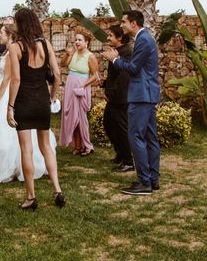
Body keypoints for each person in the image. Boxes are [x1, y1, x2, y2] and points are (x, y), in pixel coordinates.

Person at [6, 8, 65, 210]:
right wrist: (52, 96)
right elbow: (56, 75)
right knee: (46, 146)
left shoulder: (15, 47)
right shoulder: (46, 44)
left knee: (27, 150)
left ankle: (31, 197)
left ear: (20, 24)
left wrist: (10, 106)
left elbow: (16, 80)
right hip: (42, 102)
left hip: (24, 102)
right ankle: (57, 189)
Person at [0, 23, 57, 184]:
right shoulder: (8, 50)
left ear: (11, 35)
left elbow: (9, 78)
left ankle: (18, 172)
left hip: (10, 92)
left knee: (16, 138)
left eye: (3, 34)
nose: (0, 36)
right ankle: (56, 188)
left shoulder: (14, 49)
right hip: (18, 92)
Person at [102, 10, 161, 195]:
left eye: (124, 22)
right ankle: (153, 179)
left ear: (133, 23)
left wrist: (115, 59)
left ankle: (144, 182)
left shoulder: (143, 39)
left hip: (141, 95)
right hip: (148, 94)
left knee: (136, 136)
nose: (122, 25)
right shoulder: (145, 39)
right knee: (151, 137)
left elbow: (134, 69)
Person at [59, 30, 99, 156]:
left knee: (81, 118)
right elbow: (62, 64)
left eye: (80, 40)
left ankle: (87, 145)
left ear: (86, 42)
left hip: (81, 89)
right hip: (70, 86)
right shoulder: (73, 53)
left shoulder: (90, 56)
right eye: (76, 39)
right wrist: (67, 54)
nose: (77, 42)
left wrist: (83, 85)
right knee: (72, 117)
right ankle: (76, 146)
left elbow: (95, 76)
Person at [102, 25, 133, 172]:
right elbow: (114, 76)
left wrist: (111, 92)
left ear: (119, 38)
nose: (108, 38)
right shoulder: (116, 52)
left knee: (121, 129)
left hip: (121, 98)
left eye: (110, 35)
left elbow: (123, 76)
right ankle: (121, 154)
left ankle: (129, 160)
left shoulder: (125, 53)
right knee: (108, 124)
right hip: (115, 97)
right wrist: (104, 83)